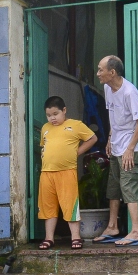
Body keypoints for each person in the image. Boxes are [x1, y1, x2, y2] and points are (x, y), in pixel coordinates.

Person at [93, 56, 138, 246]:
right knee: (113, 186)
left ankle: (136, 231)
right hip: (116, 144)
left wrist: (130, 149)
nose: (98, 73)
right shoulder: (108, 88)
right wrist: (109, 139)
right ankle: (112, 227)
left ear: (112, 72)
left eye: (101, 70)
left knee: (128, 186)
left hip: (129, 146)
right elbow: (112, 115)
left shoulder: (129, 92)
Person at [37, 96, 98, 250]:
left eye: (56, 114)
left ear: (64, 110)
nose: (52, 118)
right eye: (49, 115)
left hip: (67, 172)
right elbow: (43, 146)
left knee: (70, 204)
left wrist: (77, 152)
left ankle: (76, 237)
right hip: (47, 173)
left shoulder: (75, 125)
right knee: (48, 207)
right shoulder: (45, 128)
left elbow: (92, 138)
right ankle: (49, 238)